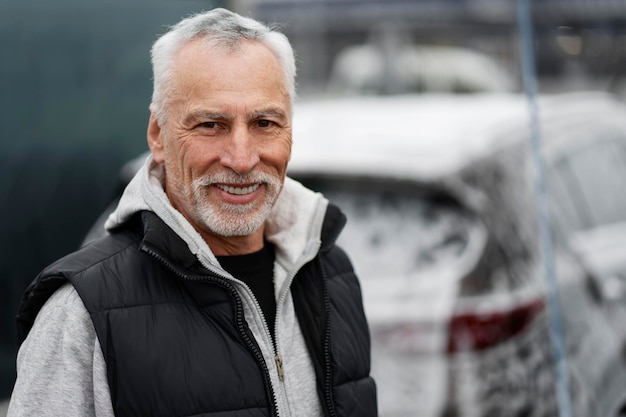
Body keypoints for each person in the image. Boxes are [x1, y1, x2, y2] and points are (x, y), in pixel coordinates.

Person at [7, 8, 377, 417]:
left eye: (265, 123)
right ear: (158, 136)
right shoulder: (80, 312)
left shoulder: (331, 272)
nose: (241, 158)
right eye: (210, 125)